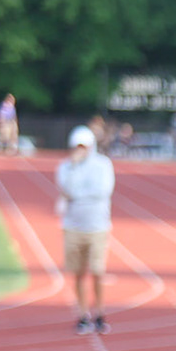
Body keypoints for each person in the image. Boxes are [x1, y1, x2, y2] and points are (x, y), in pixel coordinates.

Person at [56, 126, 116, 336]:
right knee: (79, 273)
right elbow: (66, 189)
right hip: (73, 226)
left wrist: (77, 195)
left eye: (84, 146)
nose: (80, 150)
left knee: (98, 272)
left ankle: (100, 313)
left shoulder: (103, 165)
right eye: (77, 147)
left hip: (97, 227)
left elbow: (103, 191)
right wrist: (74, 168)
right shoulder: (66, 167)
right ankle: (83, 315)